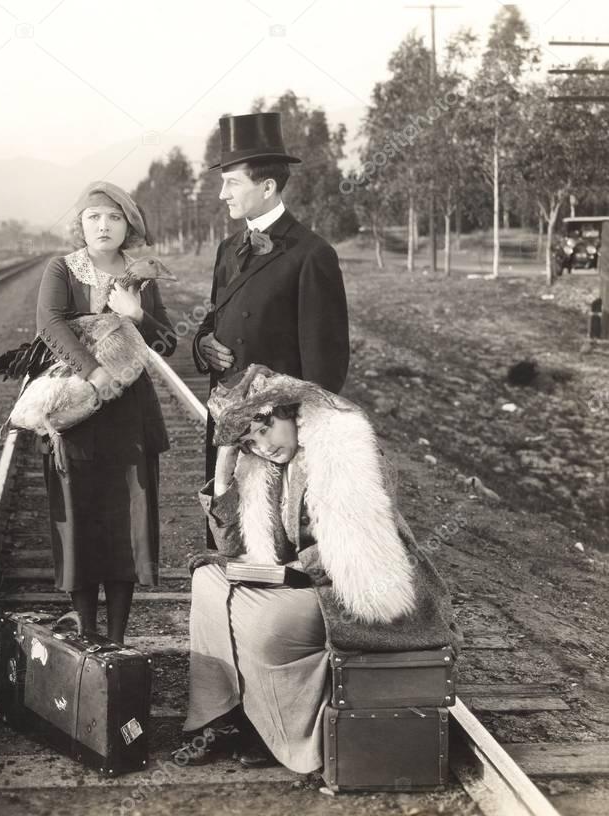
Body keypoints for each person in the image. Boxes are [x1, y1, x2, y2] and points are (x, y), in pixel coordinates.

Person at [179, 365, 459, 771]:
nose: (262, 446)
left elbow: (355, 552)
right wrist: (224, 471)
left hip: (352, 592)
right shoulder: (267, 466)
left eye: (265, 427)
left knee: (264, 621)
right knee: (208, 580)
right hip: (303, 582)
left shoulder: (343, 453)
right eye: (248, 441)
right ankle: (226, 717)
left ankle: (275, 733)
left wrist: (290, 570)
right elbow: (237, 548)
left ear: (289, 410)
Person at [34, 181, 176, 643]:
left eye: (114, 218)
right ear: (80, 224)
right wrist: (93, 372)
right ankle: (87, 633)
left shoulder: (141, 277)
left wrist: (138, 316)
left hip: (129, 416)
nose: (103, 225)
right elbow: (50, 325)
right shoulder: (64, 270)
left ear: (128, 226)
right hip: (78, 414)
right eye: (94, 217)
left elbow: (167, 344)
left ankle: (116, 638)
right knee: (82, 519)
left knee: (125, 523)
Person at [192, 112, 350, 490]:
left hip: (278, 432)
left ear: (266, 187)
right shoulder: (227, 249)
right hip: (229, 426)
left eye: (231, 183)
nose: (222, 194)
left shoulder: (312, 254)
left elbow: (326, 363)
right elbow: (214, 318)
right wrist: (202, 345)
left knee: (280, 540)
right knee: (229, 534)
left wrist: (293, 426)